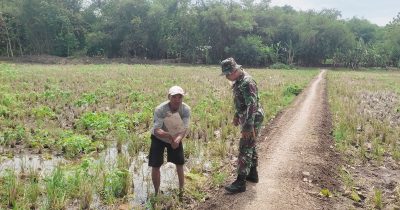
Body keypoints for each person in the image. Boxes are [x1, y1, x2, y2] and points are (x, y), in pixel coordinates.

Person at [220, 57, 264, 193]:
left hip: (252, 118)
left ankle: (240, 182)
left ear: (234, 71)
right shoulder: (239, 81)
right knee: (251, 145)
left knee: (245, 147)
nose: (226, 77)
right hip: (247, 117)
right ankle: (252, 173)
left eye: (227, 74)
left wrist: (248, 126)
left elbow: (252, 105)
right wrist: (236, 115)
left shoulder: (247, 82)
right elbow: (242, 102)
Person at [148, 85, 191, 196]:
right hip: (159, 138)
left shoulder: (186, 109)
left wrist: (177, 140)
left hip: (175, 135)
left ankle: (182, 190)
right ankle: (156, 193)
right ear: (169, 97)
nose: (177, 100)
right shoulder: (160, 109)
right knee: (155, 164)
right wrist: (168, 136)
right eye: (174, 97)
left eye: (179, 97)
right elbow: (157, 130)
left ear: (182, 98)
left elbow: (184, 128)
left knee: (180, 163)